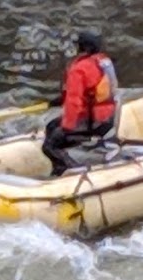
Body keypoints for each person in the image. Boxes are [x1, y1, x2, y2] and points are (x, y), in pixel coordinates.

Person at [42, 30, 119, 177]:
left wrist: (67, 126)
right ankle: (58, 168)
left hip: (92, 123)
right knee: (51, 126)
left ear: (83, 47)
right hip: (107, 119)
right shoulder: (104, 62)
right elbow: (91, 91)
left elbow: (74, 102)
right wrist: (60, 100)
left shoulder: (79, 69)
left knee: (49, 146)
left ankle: (73, 171)